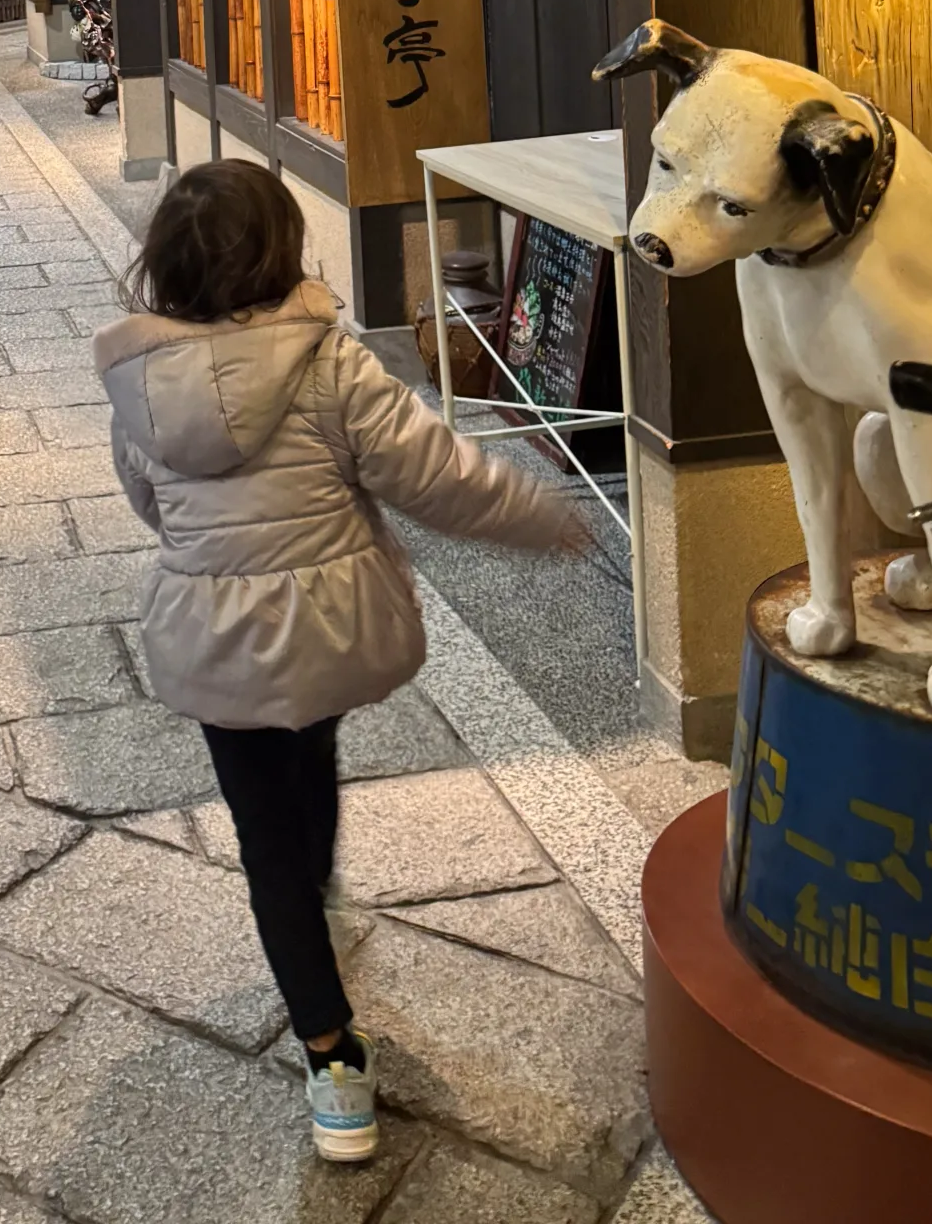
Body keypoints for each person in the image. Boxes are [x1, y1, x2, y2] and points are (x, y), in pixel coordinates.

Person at [94, 160, 586, 1165]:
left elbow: (148, 503)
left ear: (167, 269)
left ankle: (329, 1057)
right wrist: (544, 517)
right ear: (282, 250)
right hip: (328, 628)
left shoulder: (136, 385)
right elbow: (437, 477)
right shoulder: (330, 364)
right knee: (310, 744)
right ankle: (323, 944)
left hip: (215, 640)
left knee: (262, 833)